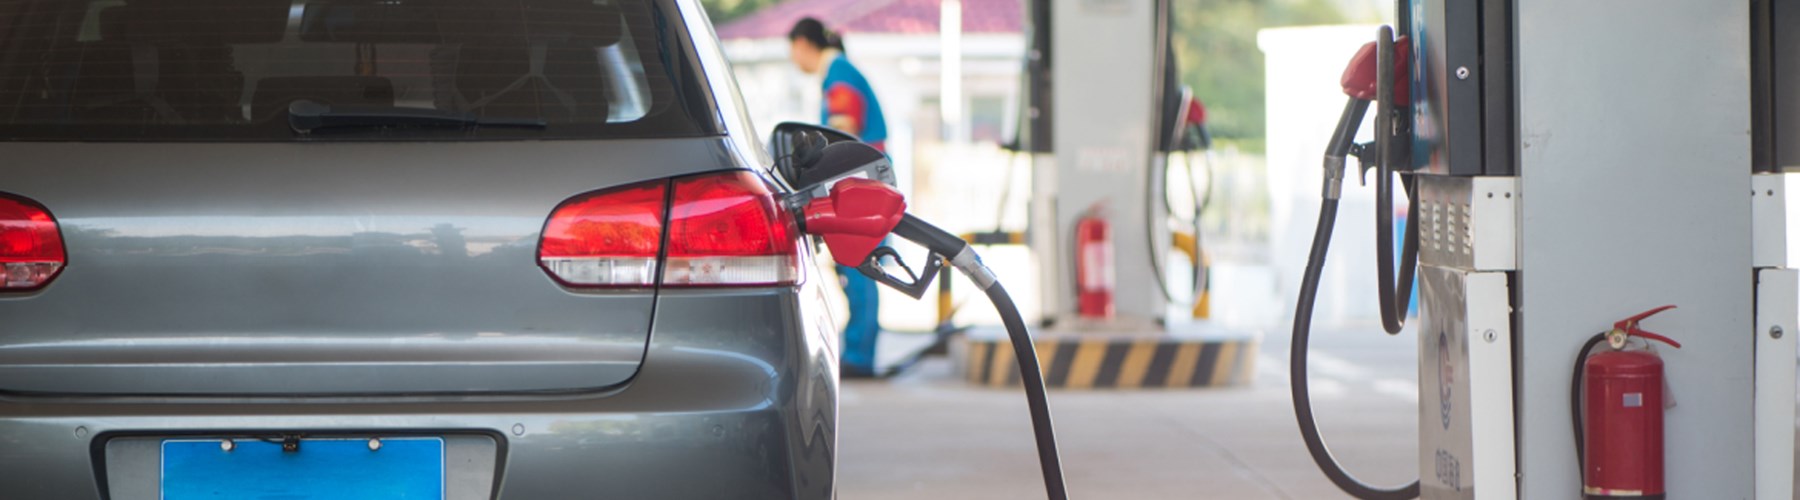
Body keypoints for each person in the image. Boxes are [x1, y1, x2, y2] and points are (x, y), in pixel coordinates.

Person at [789, 17, 888, 378]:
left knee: (859, 263)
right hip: (862, 179)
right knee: (856, 263)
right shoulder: (840, 73)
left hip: (858, 181)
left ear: (802, 44)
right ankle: (859, 348)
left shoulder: (839, 76)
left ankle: (861, 355)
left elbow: (841, 133)